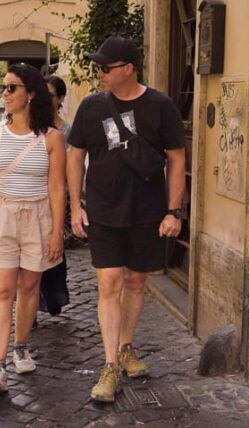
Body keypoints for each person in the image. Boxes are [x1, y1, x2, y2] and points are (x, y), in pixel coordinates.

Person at [67, 37, 186, 402]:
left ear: (128, 68)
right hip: (103, 209)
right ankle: (109, 366)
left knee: (135, 283)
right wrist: (76, 206)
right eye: (98, 67)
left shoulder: (160, 106)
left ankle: (126, 347)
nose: (99, 73)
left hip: (146, 210)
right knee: (109, 283)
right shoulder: (91, 107)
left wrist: (173, 210)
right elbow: (74, 157)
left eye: (105, 67)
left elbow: (177, 159)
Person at [0, 63, 66, 392]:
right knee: (1, 290)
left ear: (31, 93)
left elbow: (57, 188)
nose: (4, 94)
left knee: (29, 289)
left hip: (38, 217)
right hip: (0, 214)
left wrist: (56, 233)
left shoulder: (52, 138)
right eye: (3, 87)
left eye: (12, 88)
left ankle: (21, 345)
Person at [38, 76, 72, 318]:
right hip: (32, 196)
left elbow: (70, 168)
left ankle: (51, 297)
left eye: (50, 95)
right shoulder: (29, 126)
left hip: (56, 198)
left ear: (60, 99)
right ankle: (29, 303)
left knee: (52, 248)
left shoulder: (67, 131)